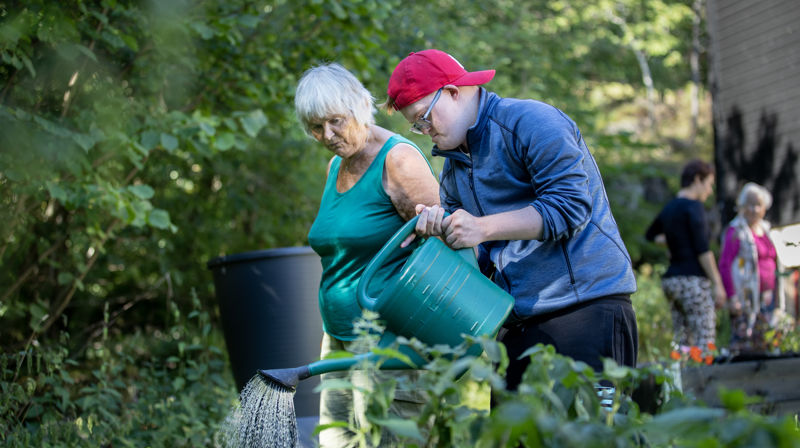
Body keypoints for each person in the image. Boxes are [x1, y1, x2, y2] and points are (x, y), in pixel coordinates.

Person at [382, 49, 639, 392]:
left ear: (454, 92)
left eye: (424, 117)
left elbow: (571, 206)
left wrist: (481, 227)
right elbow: (481, 260)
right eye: (416, 125)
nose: (424, 130)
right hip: (516, 323)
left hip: (586, 310)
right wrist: (445, 235)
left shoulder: (531, 121)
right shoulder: (454, 170)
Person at [295, 63, 440, 447]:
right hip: (339, 338)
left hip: (390, 344)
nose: (327, 135)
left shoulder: (399, 161)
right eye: (315, 127)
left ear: (361, 106)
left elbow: (443, 253)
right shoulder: (335, 166)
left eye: (335, 121)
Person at [645, 160, 726, 350]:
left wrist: (674, 240)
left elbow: (651, 235)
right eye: (709, 184)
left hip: (672, 282)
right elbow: (702, 250)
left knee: (682, 342)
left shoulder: (670, 208)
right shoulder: (694, 207)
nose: (710, 191)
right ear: (698, 180)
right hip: (692, 281)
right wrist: (718, 283)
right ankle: (706, 378)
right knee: (704, 339)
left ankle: (678, 378)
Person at [718, 182, 781, 351]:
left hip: (767, 295)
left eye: (758, 205)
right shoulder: (735, 231)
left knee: (766, 339)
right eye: (749, 204)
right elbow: (724, 265)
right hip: (745, 296)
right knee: (744, 342)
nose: (753, 209)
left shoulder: (767, 230)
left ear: (764, 208)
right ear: (742, 206)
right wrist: (731, 297)